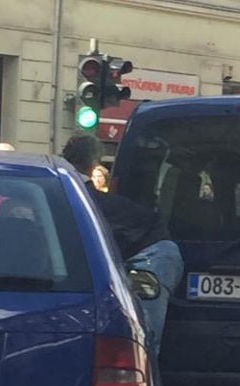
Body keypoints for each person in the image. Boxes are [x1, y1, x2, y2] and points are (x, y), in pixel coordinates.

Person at [61, 133, 183, 358]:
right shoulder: (81, 193)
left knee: (140, 338)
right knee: (138, 338)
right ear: (93, 165)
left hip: (151, 256)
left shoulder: (75, 197)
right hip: (155, 251)